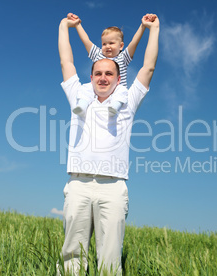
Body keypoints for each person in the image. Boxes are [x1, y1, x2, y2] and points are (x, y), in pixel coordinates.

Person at [58, 12, 160, 275]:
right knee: (72, 255)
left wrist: (153, 29)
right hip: (78, 184)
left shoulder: (127, 101)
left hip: (113, 187)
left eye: (109, 74)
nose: (103, 77)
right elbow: (66, 60)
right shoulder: (78, 97)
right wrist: (64, 27)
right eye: (98, 73)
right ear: (91, 78)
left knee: (109, 258)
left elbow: (148, 67)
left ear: (118, 78)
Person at [67, 13, 148, 116]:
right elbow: (86, 40)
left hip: (117, 92)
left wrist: (143, 26)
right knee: (86, 87)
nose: (107, 46)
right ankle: (82, 106)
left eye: (111, 43)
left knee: (122, 91)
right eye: (104, 44)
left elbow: (134, 42)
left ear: (121, 46)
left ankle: (115, 107)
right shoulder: (97, 54)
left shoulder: (123, 58)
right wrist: (77, 25)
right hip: (100, 90)